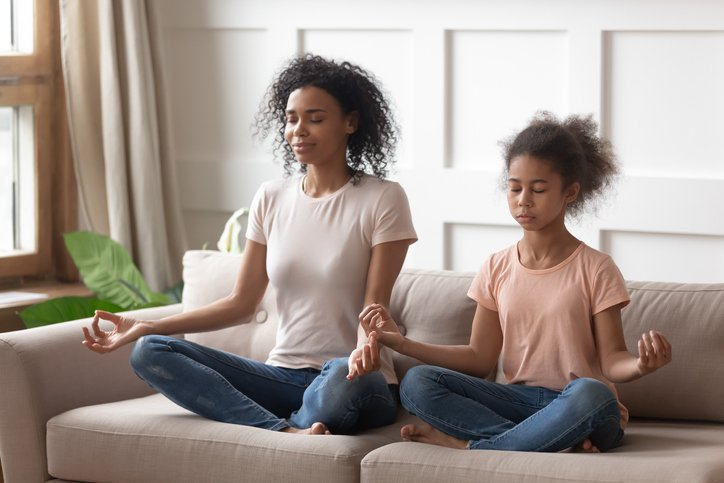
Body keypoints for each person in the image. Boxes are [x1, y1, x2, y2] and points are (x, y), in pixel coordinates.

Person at [81, 54, 417, 435]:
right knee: (151, 351)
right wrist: (146, 325)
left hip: (356, 379)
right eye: (291, 119)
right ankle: (287, 432)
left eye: (315, 119)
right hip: (282, 377)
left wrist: (362, 350)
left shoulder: (382, 198)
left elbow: (374, 308)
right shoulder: (271, 197)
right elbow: (241, 303)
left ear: (350, 123)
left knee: (339, 376)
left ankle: (295, 422)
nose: (298, 130)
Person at [357, 112, 672, 452]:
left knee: (590, 392)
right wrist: (401, 344)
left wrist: (641, 364)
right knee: (418, 382)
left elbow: (612, 361)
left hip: (583, 405)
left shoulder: (597, 268)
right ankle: (551, 439)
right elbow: (479, 358)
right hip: (519, 402)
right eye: (514, 187)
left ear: (570, 192)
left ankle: (474, 445)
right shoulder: (496, 266)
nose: (523, 199)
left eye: (538, 189)